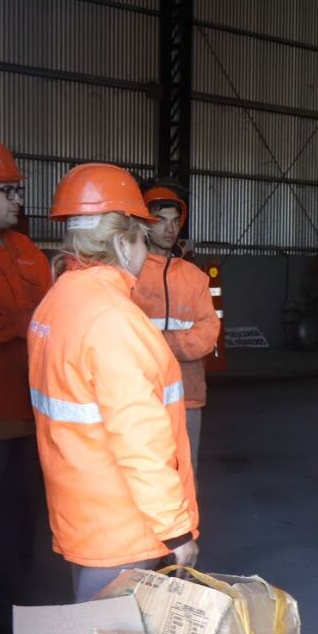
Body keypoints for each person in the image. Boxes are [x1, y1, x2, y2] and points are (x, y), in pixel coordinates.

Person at [27, 163, 200, 602]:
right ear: (123, 244)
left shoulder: (58, 301)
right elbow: (139, 440)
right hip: (120, 519)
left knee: (94, 627)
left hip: (82, 505)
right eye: (143, 238)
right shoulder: (114, 321)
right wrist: (176, 529)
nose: (146, 250)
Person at [0, 139, 51, 634]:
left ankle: (13, 616)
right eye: (5, 190)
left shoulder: (27, 251)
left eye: (16, 190)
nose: (16, 199)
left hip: (32, 416)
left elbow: (50, 313)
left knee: (22, 523)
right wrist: (25, 321)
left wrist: (18, 321)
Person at [131, 186, 220, 473]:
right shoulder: (130, 273)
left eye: (174, 221)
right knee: (145, 471)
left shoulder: (195, 278)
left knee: (185, 470)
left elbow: (208, 332)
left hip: (187, 394)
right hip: (141, 393)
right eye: (161, 220)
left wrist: (160, 343)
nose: (169, 229)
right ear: (145, 223)